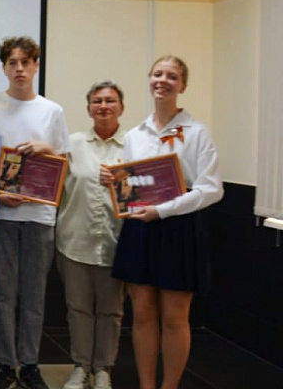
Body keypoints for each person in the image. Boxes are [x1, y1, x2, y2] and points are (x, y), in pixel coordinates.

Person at [102, 56, 223, 389]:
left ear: (182, 85)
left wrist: (163, 211)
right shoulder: (135, 135)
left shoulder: (197, 133)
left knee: (174, 316)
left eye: (171, 76)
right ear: (149, 79)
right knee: (142, 314)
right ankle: (146, 385)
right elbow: (132, 186)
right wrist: (113, 183)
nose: (163, 81)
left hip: (179, 229)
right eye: (157, 74)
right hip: (140, 228)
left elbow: (212, 189)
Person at [0, 36, 70, 389]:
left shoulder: (52, 111)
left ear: (36, 66)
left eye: (26, 62)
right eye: (13, 62)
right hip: (1, 215)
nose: (20, 69)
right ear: (4, 67)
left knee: (35, 296)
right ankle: (5, 365)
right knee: (3, 295)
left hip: (40, 216)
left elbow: (64, 163)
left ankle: (30, 363)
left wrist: (47, 148)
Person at [57, 81, 127, 389]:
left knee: (111, 311)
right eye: (97, 101)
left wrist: (123, 181)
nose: (103, 106)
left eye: (110, 101)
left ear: (121, 107)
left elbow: (148, 189)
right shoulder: (71, 145)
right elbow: (53, 183)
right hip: (74, 240)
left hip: (117, 244)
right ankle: (80, 366)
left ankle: (103, 369)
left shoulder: (134, 147)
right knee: (78, 309)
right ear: (88, 109)